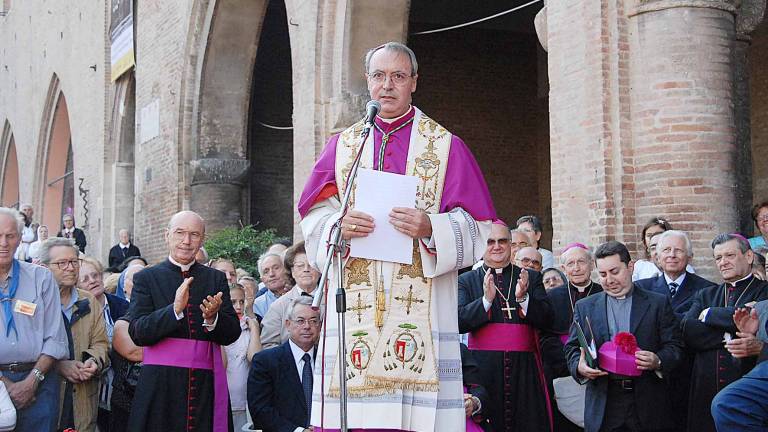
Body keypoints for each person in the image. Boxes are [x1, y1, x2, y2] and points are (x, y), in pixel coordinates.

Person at [299, 41, 495, 430]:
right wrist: (338, 225)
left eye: (398, 76)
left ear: (413, 83)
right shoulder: (343, 147)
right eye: (378, 76)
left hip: (420, 297)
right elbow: (313, 212)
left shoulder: (445, 146)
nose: (387, 85)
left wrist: (431, 227)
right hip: (353, 300)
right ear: (368, 82)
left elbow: (481, 226)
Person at [123, 210, 240, 431]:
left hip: (205, 385)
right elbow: (138, 332)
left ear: (202, 239)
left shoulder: (215, 278)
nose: (186, 241)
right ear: (167, 235)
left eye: (194, 234)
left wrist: (213, 318)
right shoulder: (147, 278)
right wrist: (174, 310)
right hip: (160, 386)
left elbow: (232, 332)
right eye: (180, 233)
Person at [565, 240, 683, 432]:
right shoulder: (585, 306)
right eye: (602, 274)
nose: (609, 280)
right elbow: (572, 348)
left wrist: (658, 360)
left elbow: (676, 347)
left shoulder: (657, 303)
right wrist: (580, 365)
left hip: (648, 401)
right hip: (604, 400)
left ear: (630, 267)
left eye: (614, 272)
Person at [458, 222, 553, 431]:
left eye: (502, 241)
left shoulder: (531, 277)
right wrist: (485, 301)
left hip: (525, 371)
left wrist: (524, 299)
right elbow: (459, 321)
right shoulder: (466, 280)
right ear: (481, 246)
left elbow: (547, 319)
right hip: (483, 369)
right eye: (490, 242)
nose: (496, 246)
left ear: (511, 246)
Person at [681, 233, 768, 432]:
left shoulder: (764, 291)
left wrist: (709, 313)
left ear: (748, 257)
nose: (723, 262)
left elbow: (757, 316)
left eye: (729, 255)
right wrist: (730, 334)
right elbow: (688, 331)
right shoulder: (706, 293)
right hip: (705, 384)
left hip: (748, 380)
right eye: (718, 258)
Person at [634, 230, 716, 430]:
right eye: (667, 250)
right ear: (657, 256)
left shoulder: (707, 290)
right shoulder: (639, 288)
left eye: (678, 250)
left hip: (690, 373)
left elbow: (701, 329)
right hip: (649, 376)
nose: (672, 255)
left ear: (689, 257)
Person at [0, 207, 68, 432]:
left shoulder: (42, 278)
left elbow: (55, 336)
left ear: (20, 239)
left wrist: (32, 381)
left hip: (39, 383)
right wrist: (6, 385)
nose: (4, 243)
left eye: (10, 236)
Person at [40, 237, 110, 432]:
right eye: (62, 263)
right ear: (45, 267)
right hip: (44, 400)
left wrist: (92, 362)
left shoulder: (88, 301)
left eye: (74, 262)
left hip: (81, 403)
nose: (70, 268)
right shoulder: (35, 302)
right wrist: (58, 365)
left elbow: (101, 343)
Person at [541, 243, 602, 432]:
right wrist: (572, 363)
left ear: (591, 265)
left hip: (600, 371)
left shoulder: (603, 293)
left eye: (581, 262)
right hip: (562, 370)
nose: (576, 268)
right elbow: (545, 338)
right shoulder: (551, 297)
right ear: (564, 268)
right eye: (571, 263)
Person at [248, 296, 320, 432]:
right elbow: (260, 410)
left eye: (313, 321)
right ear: (288, 324)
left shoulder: (328, 362)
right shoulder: (266, 361)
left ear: (320, 325)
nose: (307, 326)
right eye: (300, 321)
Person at [78, 256, 130, 432]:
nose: (92, 281)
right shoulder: (78, 311)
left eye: (95, 275)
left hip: (121, 386)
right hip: (91, 386)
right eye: (85, 279)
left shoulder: (122, 306)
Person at [710, 301, 768, 431]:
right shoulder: (761, 307)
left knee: (729, 402)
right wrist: (750, 337)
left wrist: (762, 348)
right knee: (727, 404)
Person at [260, 242, 321, 349]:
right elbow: (268, 344)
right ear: (292, 271)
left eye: (311, 265)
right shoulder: (278, 306)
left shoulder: (332, 301)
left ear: (320, 270)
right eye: (300, 266)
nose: (306, 269)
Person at [223, 284, 262, 431]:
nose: (238, 306)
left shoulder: (248, 327)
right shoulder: (217, 330)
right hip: (225, 399)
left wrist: (254, 329)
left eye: (241, 301)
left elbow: (255, 357)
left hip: (244, 401)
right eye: (233, 302)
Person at [253, 252, 289, 319]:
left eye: (276, 268)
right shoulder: (257, 305)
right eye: (266, 272)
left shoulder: (300, 294)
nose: (271, 274)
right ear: (262, 279)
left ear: (286, 270)